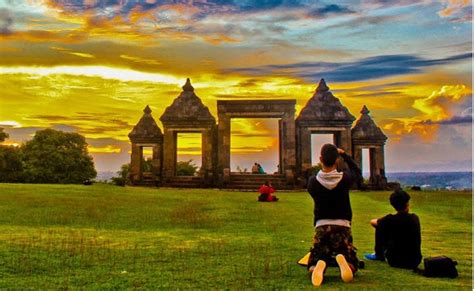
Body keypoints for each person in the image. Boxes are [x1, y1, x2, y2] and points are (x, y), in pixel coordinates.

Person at [306, 144, 362, 286]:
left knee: (315, 257)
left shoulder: (313, 182)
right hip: (343, 226)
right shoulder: (345, 179)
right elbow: (357, 171)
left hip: (322, 226)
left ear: (320, 159)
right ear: (337, 160)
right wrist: (344, 155)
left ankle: (319, 264)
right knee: (351, 260)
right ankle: (345, 261)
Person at [364, 190, 422, 269]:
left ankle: (379, 254)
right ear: (407, 203)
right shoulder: (414, 218)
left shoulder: (390, 219)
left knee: (380, 226)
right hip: (414, 261)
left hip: (395, 261)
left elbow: (372, 222)